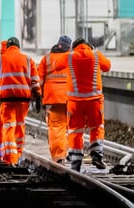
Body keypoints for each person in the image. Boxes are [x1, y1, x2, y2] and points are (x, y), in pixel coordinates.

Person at [0, 37, 41, 166]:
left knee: (8, 126)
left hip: (6, 99)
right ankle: (18, 154)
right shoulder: (28, 59)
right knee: (19, 125)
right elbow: (34, 80)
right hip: (23, 99)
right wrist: (38, 96)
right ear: (18, 46)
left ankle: (11, 158)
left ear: (7, 47)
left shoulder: (0, 60)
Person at [66, 38, 112, 171]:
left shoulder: (69, 57)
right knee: (96, 127)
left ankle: (75, 161)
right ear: (88, 46)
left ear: (74, 47)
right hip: (94, 101)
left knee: (75, 131)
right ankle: (97, 154)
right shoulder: (96, 55)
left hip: (75, 103)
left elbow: (55, 67)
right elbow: (107, 66)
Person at [38, 35, 72, 164]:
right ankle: (72, 153)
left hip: (53, 98)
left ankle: (59, 156)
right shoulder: (72, 57)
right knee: (72, 127)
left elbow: (39, 79)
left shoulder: (46, 58)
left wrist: (38, 97)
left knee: (57, 127)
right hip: (71, 97)